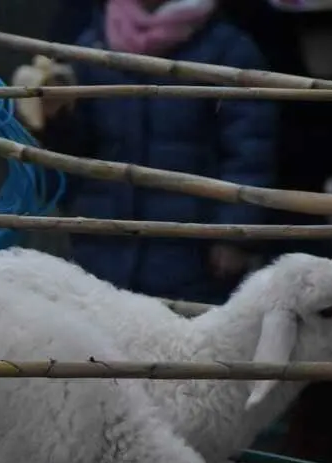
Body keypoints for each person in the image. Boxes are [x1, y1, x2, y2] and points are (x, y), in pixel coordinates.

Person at [37, 0, 283, 305]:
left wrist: (235, 235)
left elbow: (250, 154)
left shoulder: (228, 51)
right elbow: (74, 153)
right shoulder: (90, 48)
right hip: (103, 255)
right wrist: (57, 119)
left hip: (193, 261)